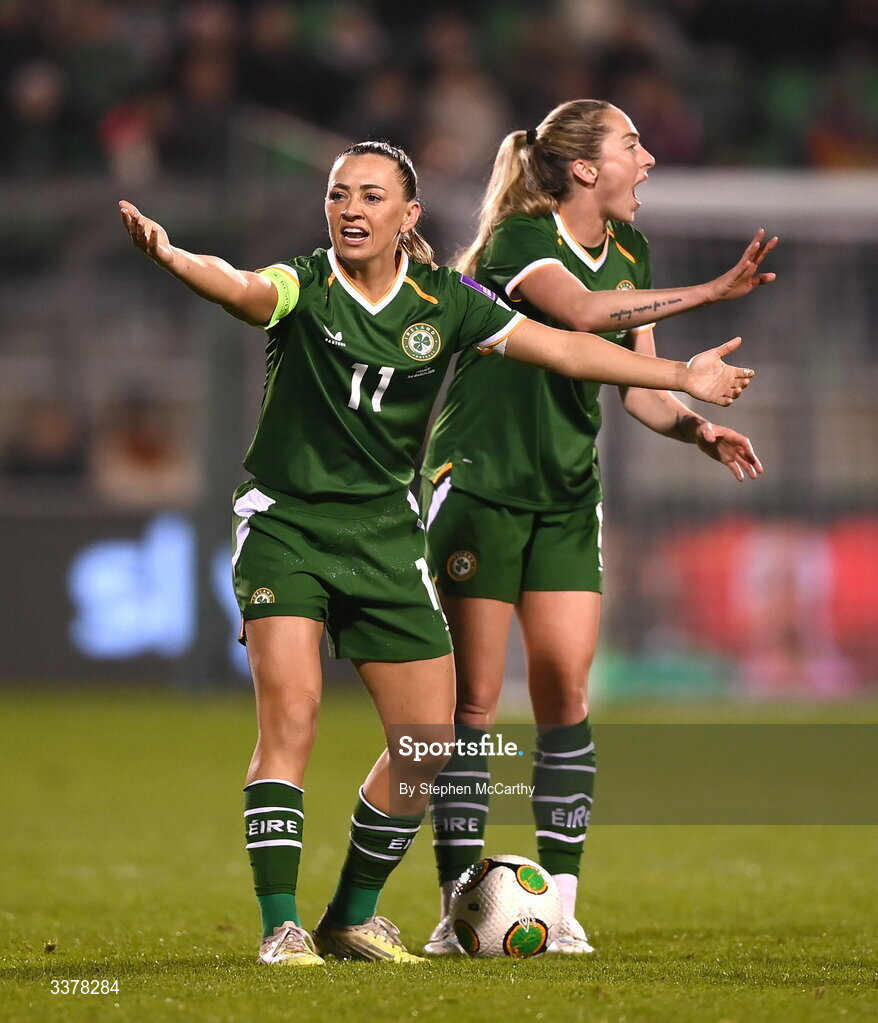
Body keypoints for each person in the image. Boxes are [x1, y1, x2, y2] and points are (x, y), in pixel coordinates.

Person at [118, 139, 754, 968]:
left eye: (372, 196)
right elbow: (240, 288)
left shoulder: (446, 301)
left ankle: (351, 915)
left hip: (385, 533)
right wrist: (173, 256)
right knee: (295, 713)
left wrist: (681, 376)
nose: (351, 209)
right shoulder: (304, 285)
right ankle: (281, 925)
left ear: (407, 216)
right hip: (288, 527)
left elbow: (563, 347)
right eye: (340, 194)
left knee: (428, 745)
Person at [419, 100, 774, 956]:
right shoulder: (515, 243)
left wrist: (696, 426)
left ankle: (561, 906)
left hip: (567, 497)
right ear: (584, 167)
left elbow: (641, 387)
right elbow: (579, 315)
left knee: (566, 695)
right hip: (480, 486)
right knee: (470, 704)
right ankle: (457, 906)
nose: (647, 160)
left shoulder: (633, 251)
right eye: (632, 145)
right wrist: (714, 292)